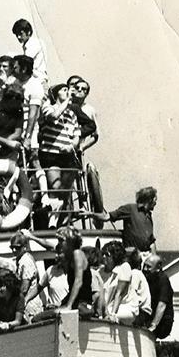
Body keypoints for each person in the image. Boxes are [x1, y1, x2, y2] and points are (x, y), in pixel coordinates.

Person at [38, 83, 81, 225]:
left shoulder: (72, 114)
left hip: (67, 156)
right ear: (56, 94)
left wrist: (71, 146)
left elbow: (76, 135)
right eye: (64, 90)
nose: (68, 92)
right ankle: (52, 221)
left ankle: (63, 222)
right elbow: (53, 116)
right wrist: (67, 101)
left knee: (65, 191)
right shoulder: (47, 107)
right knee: (55, 186)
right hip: (51, 154)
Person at [84, 187, 158, 256]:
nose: (156, 203)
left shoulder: (148, 216)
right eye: (155, 200)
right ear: (149, 199)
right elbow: (106, 217)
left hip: (146, 256)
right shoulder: (130, 209)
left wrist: (155, 259)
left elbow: (151, 242)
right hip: (132, 256)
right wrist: (91, 214)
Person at [101, 241, 145, 324]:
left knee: (105, 314)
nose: (103, 257)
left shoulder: (124, 267)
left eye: (107, 255)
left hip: (126, 307)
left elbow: (119, 294)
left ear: (115, 256)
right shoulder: (101, 271)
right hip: (109, 307)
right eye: (103, 254)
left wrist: (113, 314)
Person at [143, 254, 174, 338]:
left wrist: (153, 325)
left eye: (148, 267)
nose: (145, 269)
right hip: (151, 315)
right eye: (144, 266)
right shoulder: (147, 277)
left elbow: (162, 305)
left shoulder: (163, 280)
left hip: (163, 322)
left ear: (158, 267)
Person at [67, 76, 99, 152]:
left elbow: (95, 134)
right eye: (76, 87)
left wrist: (82, 147)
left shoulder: (90, 110)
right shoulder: (64, 104)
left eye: (83, 89)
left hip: (76, 149)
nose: (79, 90)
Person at [12, 18, 47, 84]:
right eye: (16, 34)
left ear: (28, 32)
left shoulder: (34, 43)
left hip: (38, 80)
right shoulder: (28, 44)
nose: (18, 37)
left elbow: (25, 61)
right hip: (35, 78)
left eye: (21, 34)